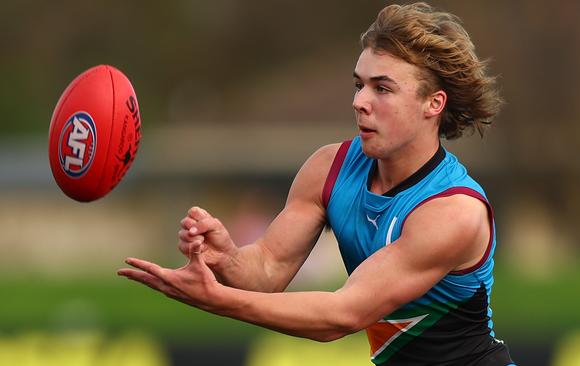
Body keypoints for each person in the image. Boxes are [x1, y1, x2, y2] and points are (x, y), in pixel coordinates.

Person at [118, 3, 515, 365]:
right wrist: (228, 259)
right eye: (359, 84)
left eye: (383, 88)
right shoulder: (330, 168)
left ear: (434, 104)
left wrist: (217, 299)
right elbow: (268, 269)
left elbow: (342, 315)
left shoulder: (453, 211)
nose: (361, 101)